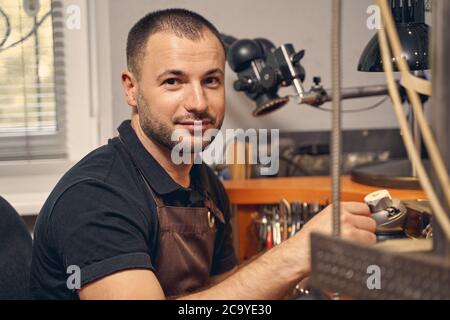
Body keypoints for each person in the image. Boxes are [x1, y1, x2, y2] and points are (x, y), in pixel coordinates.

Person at [30, 8, 376, 300]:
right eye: (173, 82)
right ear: (131, 89)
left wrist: (302, 277)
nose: (198, 102)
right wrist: (295, 255)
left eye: (211, 81)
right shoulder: (96, 196)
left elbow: (221, 292)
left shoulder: (204, 181)